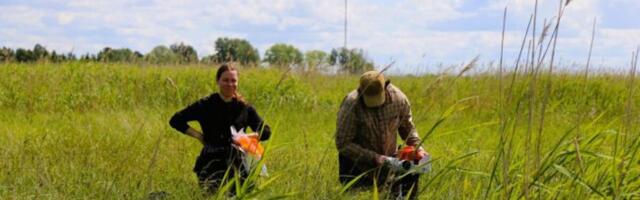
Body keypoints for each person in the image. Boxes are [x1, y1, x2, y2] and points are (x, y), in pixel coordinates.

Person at [169, 63, 271, 194]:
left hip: (239, 165)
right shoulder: (205, 104)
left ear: (238, 82)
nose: (230, 84)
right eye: (225, 80)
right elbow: (176, 120)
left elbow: (266, 132)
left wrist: (246, 138)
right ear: (218, 81)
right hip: (211, 164)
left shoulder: (244, 108)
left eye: (233, 81)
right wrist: (199, 136)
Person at [335, 70, 427, 199]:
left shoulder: (399, 99)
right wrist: (374, 157)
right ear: (361, 91)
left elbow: (408, 129)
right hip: (358, 165)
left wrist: (419, 148)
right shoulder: (351, 104)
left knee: (411, 169)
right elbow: (343, 144)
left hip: (390, 163)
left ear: (386, 87)